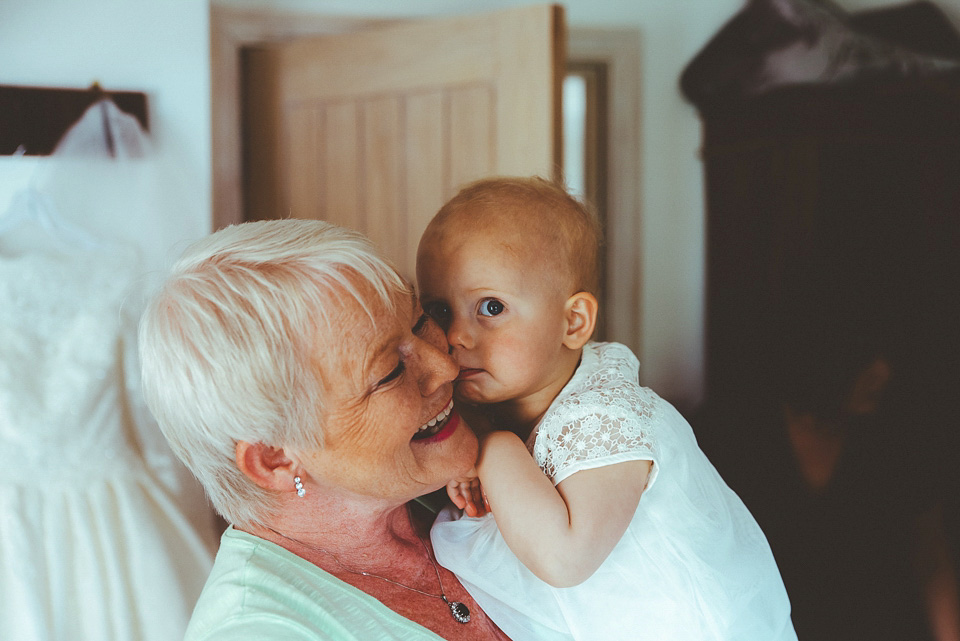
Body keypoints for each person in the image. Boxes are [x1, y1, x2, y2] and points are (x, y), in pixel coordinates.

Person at [415, 176, 797, 641]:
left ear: (573, 322)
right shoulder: (497, 407)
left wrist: (493, 448)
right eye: (437, 311)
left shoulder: (603, 416)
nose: (458, 336)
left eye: (491, 307)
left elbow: (563, 558)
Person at [138, 218, 512, 640]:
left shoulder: (472, 478)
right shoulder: (260, 630)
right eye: (390, 373)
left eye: (421, 320)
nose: (445, 367)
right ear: (274, 458)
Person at [695, 307, 960, 641]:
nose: (882, 372)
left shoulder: (896, 440)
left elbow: (931, 559)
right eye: (864, 358)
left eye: (885, 357)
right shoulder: (735, 432)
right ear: (826, 356)